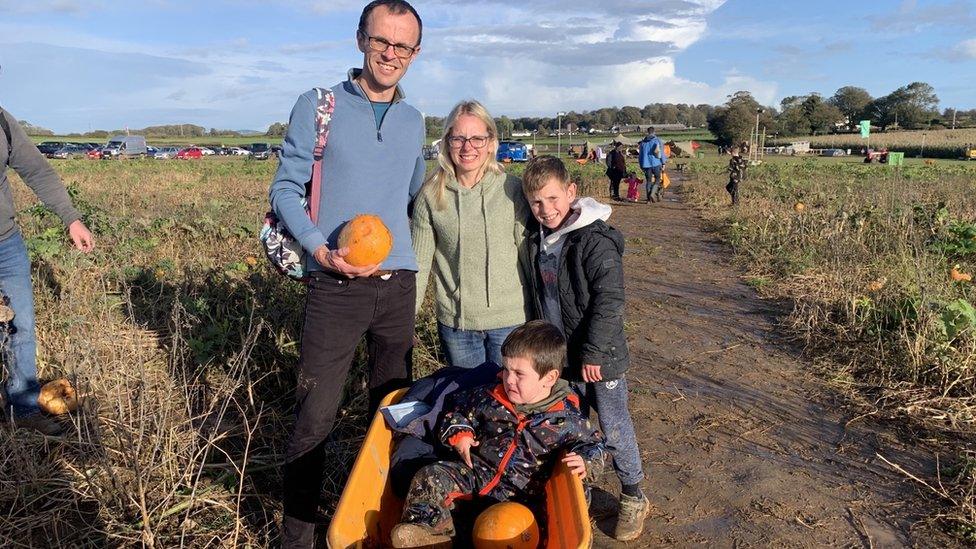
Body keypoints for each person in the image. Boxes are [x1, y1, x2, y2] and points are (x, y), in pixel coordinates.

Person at [267, 1, 426, 545]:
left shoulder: (412, 121)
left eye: (403, 46)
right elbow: (285, 189)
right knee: (314, 415)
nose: (391, 53)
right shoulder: (318, 105)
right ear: (360, 39)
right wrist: (319, 247)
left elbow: (415, 196)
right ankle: (299, 537)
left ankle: (377, 522)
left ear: (415, 53)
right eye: (382, 41)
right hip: (334, 285)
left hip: (397, 285)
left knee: (393, 414)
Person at [521, 156, 650, 541]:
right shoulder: (537, 239)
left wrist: (594, 352)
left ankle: (633, 495)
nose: (546, 210)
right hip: (563, 360)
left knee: (613, 427)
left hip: (600, 359)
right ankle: (583, 491)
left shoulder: (595, 240)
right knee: (573, 428)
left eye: (553, 198)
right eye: (536, 203)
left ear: (571, 192)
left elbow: (609, 301)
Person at [389, 320, 605, 548]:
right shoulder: (489, 397)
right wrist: (460, 433)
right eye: (506, 370)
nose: (508, 380)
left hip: (521, 500)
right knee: (430, 474)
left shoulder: (566, 419)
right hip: (476, 476)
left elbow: (594, 444)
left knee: (511, 537)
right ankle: (429, 535)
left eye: (519, 374)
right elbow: (458, 411)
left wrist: (587, 462)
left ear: (549, 378)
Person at [411, 100, 530, 369]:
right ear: (447, 142)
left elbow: (528, 256)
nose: (468, 148)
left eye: (477, 138)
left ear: (491, 142)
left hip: (511, 323)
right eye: (459, 138)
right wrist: (406, 321)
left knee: (510, 406)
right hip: (458, 328)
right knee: (468, 406)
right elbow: (419, 265)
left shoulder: (512, 190)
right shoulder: (430, 196)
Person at [0, 106, 94, 436]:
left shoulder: (1, 120)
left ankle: (23, 406)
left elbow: (37, 171)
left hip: (6, 244)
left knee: (20, 325)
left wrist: (71, 217)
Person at [638, 126, 667, 203]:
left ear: (647, 132)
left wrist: (641, 165)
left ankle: (648, 200)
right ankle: (652, 193)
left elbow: (640, 155)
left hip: (646, 165)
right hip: (656, 163)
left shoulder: (643, 143)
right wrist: (663, 163)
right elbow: (662, 153)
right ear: (654, 132)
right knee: (657, 180)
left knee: (648, 181)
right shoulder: (657, 140)